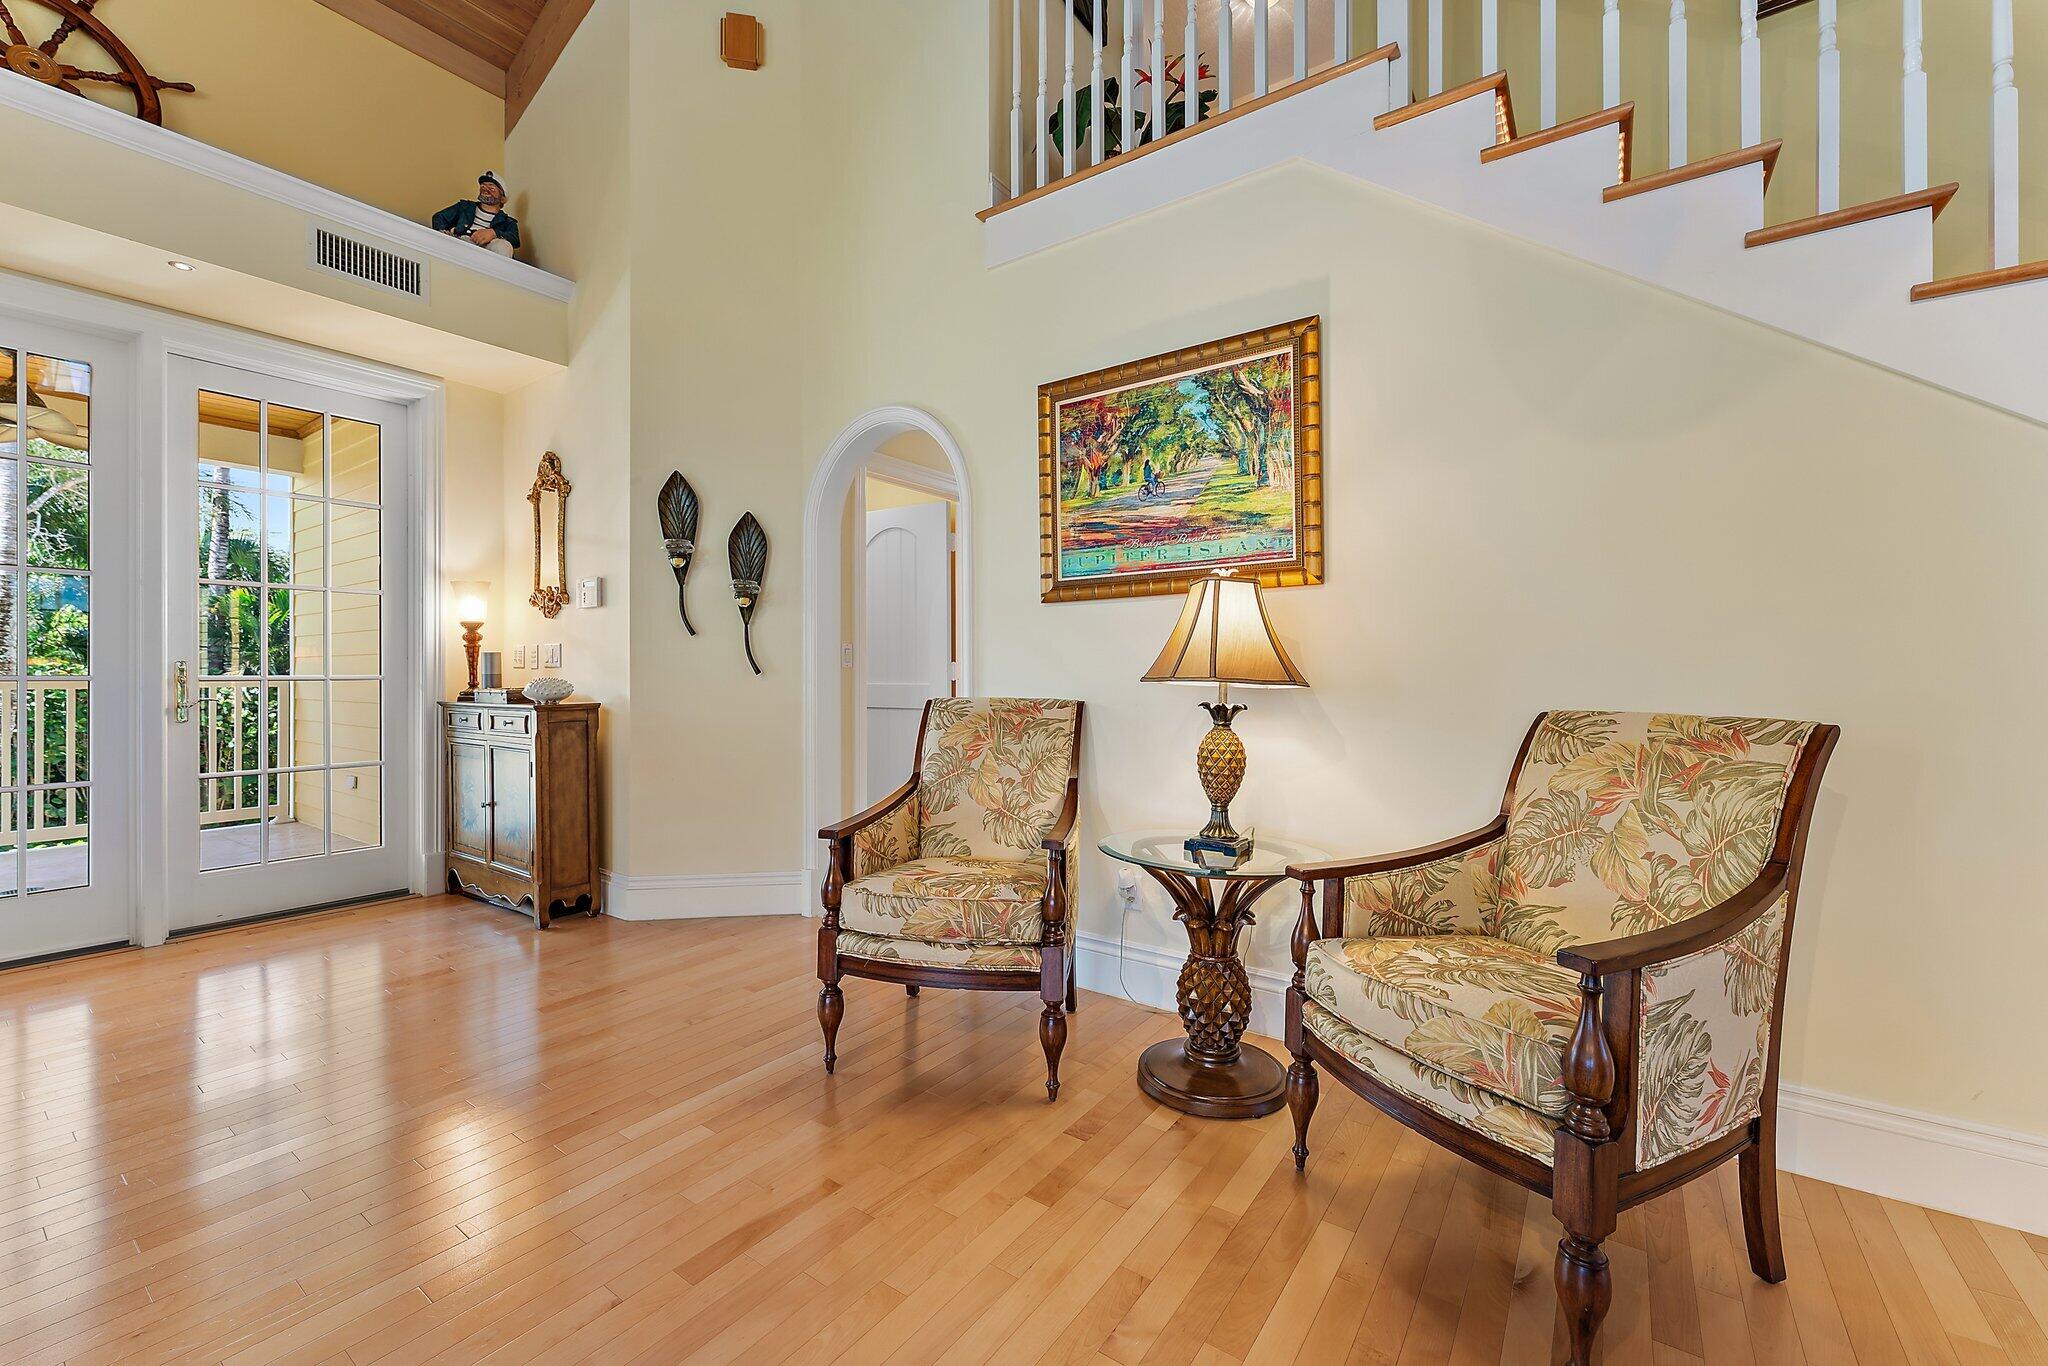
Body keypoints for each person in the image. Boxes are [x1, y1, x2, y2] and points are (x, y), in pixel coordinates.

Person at [432, 172, 521, 257]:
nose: (485, 190)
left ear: (502, 198)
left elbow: (515, 239)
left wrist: (494, 233)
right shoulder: (464, 207)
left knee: (504, 246)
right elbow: (439, 218)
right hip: (463, 243)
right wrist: (449, 232)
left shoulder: (508, 222)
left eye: (491, 189)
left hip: (489, 251)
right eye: (483, 187)